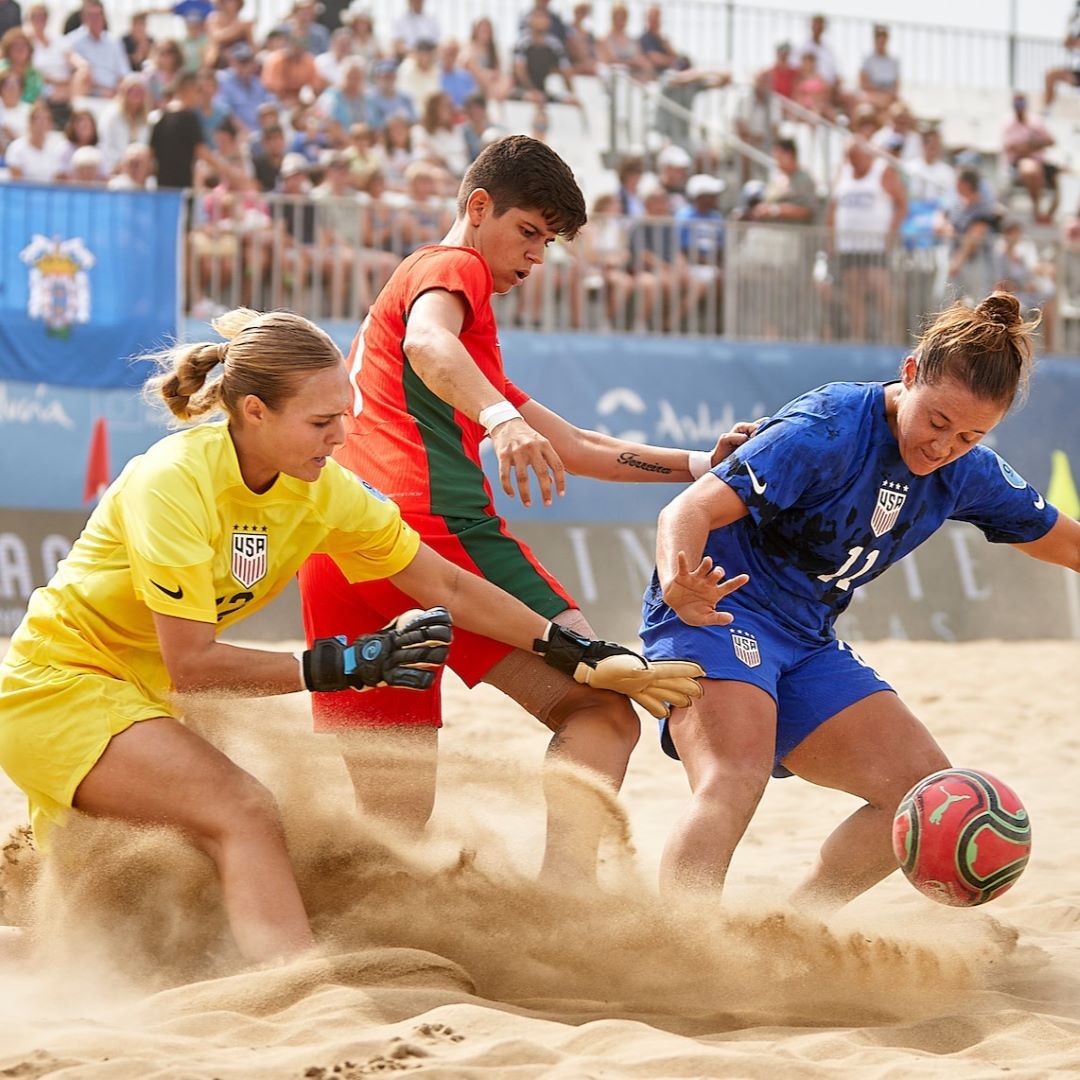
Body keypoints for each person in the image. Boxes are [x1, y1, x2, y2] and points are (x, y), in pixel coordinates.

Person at [0, 308, 704, 964]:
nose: (342, 436)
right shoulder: (174, 483)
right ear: (254, 411)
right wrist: (338, 665)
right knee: (243, 811)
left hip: (144, 706)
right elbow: (192, 665)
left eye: (347, 415)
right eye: (322, 421)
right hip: (60, 689)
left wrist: (578, 656)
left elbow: (449, 587)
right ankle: (298, 989)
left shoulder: (323, 488)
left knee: (120, 925)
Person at [298, 135, 751, 880]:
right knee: (602, 713)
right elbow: (427, 343)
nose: (536, 255)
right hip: (434, 536)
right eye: (529, 231)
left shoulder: (435, 319)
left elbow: (572, 445)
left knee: (390, 826)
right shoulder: (453, 270)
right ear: (478, 208)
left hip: (343, 552)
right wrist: (500, 421)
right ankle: (561, 906)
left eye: (549, 242)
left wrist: (702, 464)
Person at [641, 292, 1078, 911]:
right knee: (732, 779)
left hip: (806, 637)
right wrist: (680, 582)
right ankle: (677, 948)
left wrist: (961, 447)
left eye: (969, 435)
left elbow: (1066, 542)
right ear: (908, 374)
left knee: (920, 789)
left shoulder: (967, 470)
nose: (943, 447)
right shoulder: (828, 426)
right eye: (936, 422)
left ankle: (791, 930)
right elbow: (687, 508)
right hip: (716, 606)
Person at [1002, 93, 1058, 224]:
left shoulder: (1035, 122)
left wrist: (1029, 146)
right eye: (1017, 104)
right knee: (1030, 169)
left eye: (1021, 104)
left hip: (1040, 163)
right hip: (1018, 164)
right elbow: (1012, 148)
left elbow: (1051, 141)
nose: (1019, 107)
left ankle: (1050, 214)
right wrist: (1034, 145)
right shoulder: (1008, 125)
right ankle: (1037, 209)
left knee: (1064, 177)